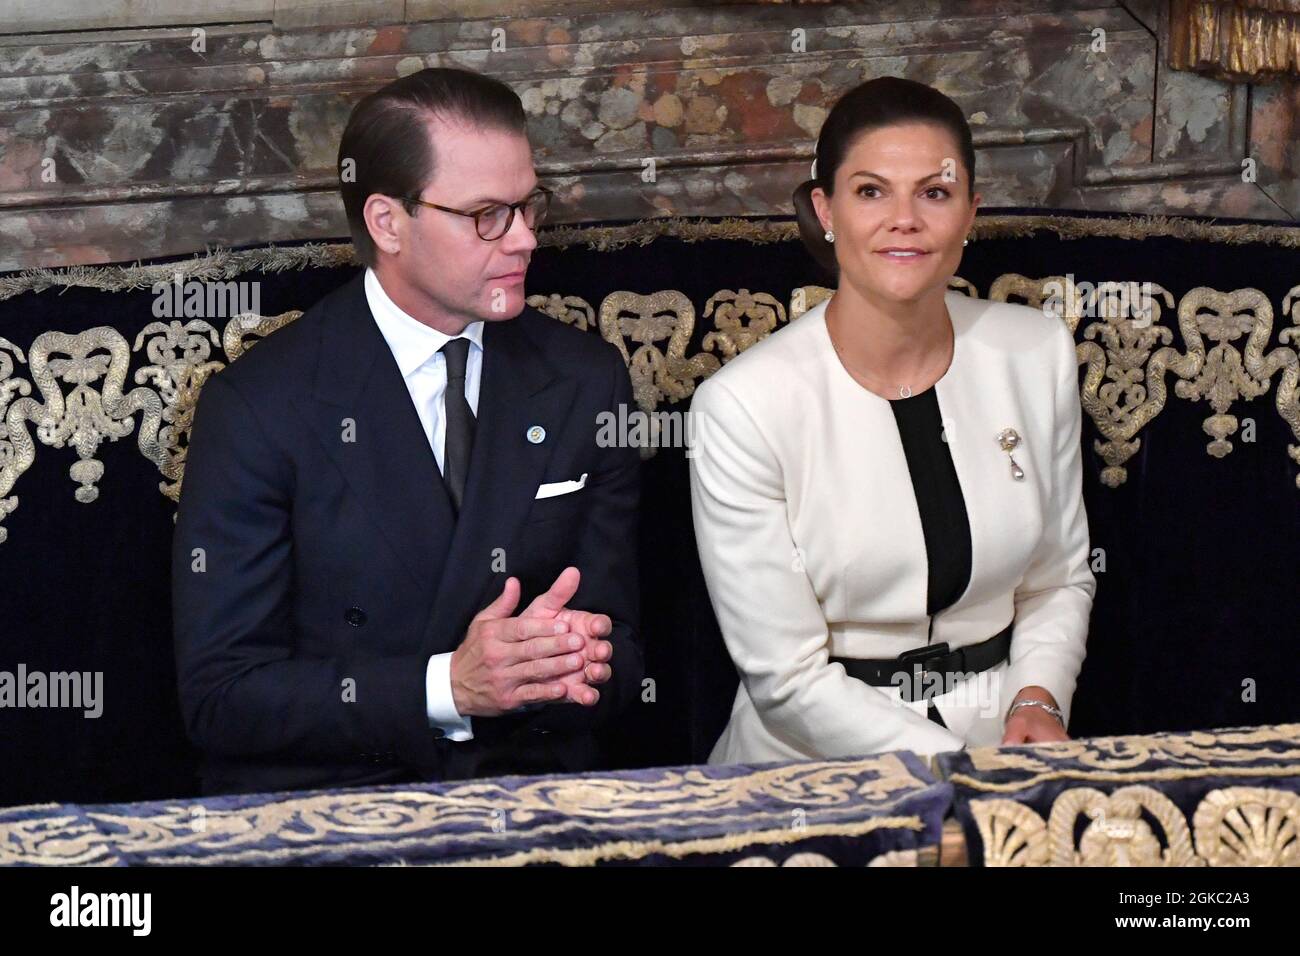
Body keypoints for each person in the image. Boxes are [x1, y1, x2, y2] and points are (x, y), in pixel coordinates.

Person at [173, 67, 642, 795]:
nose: (522, 239)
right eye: (487, 214)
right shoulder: (260, 406)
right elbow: (223, 697)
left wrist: (574, 663)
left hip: (536, 795)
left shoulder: (587, 379)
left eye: (528, 206)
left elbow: (625, 655)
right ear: (388, 223)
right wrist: (448, 688)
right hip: (337, 808)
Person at [689, 76, 1095, 765]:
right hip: (810, 765)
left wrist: (1037, 699)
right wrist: (961, 772)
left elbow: (1058, 577)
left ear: (970, 211)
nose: (903, 218)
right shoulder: (742, 406)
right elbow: (786, 679)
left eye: (934, 192)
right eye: (871, 191)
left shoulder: (1036, 353)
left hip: (1009, 742)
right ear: (825, 210)